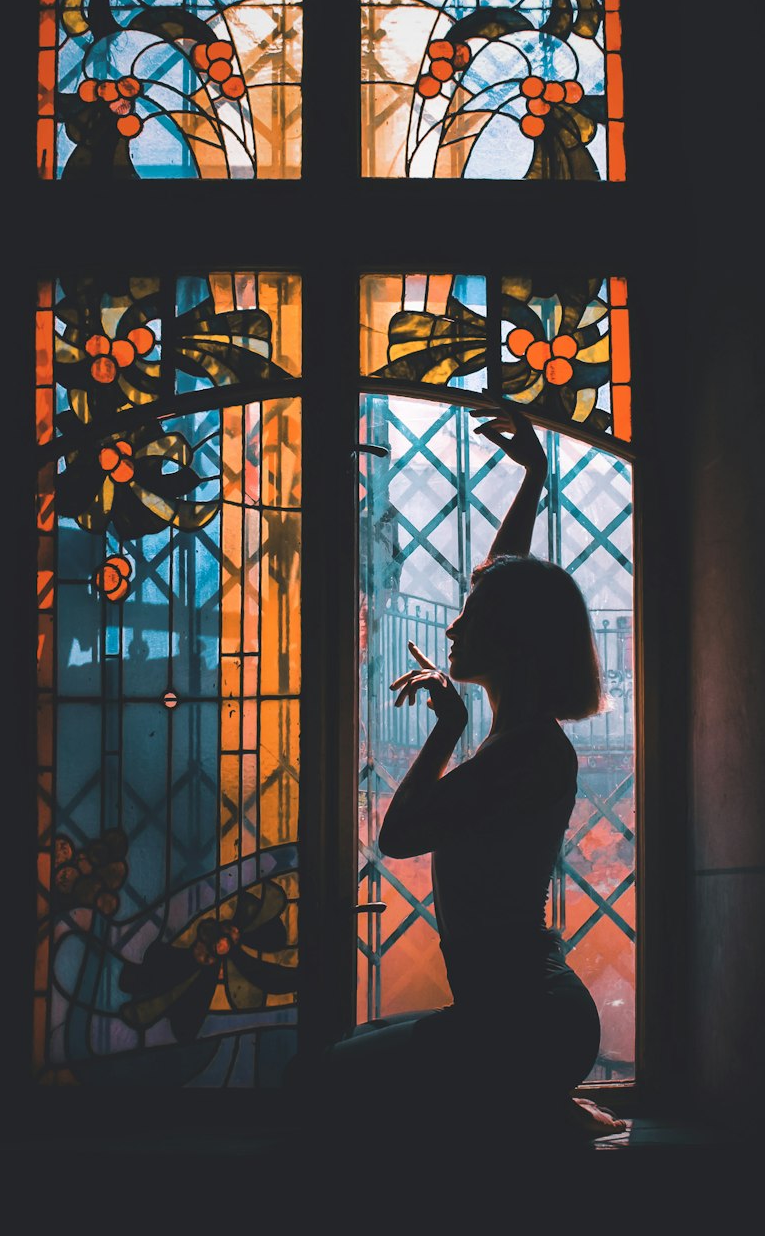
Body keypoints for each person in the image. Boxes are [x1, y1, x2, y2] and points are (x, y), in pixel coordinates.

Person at [301, 401, 626, 1156]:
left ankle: (530, 1105)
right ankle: (533, 1106)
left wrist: (444, 730)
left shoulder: (524, 753)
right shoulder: (524, 738)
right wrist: (533, 482)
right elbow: (506, 583)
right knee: (350, 1065)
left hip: (528, 1026)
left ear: (510, 642)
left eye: (468, 617)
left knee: (321, 1084)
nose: (451, 628)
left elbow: (400, 833)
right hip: (528, 1020)